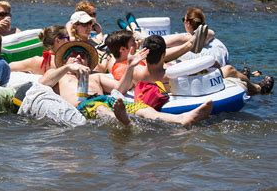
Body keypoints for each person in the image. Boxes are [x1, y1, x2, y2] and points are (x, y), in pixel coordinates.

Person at [39, 41, 213, 127]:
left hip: (105, 99)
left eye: (82, 55)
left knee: (143, 108)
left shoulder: (95, 77)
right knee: (101, 109)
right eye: (73, 54)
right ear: (65, 60)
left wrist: (130, 67)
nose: (78, 57)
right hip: (84, 105)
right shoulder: (59, 76)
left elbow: (120, 89)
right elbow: (43, 83)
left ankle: (182, 119)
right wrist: (68, 67)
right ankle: (123, 122)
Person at [134, 35, 273, 96]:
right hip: (190, 85)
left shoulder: (137, 72)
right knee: (229, 69)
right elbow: (195, 71)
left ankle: (245, 75)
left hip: (173, 79)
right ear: (164, 53)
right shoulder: (169, 74)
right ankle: (258, 89)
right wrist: (214, 65)